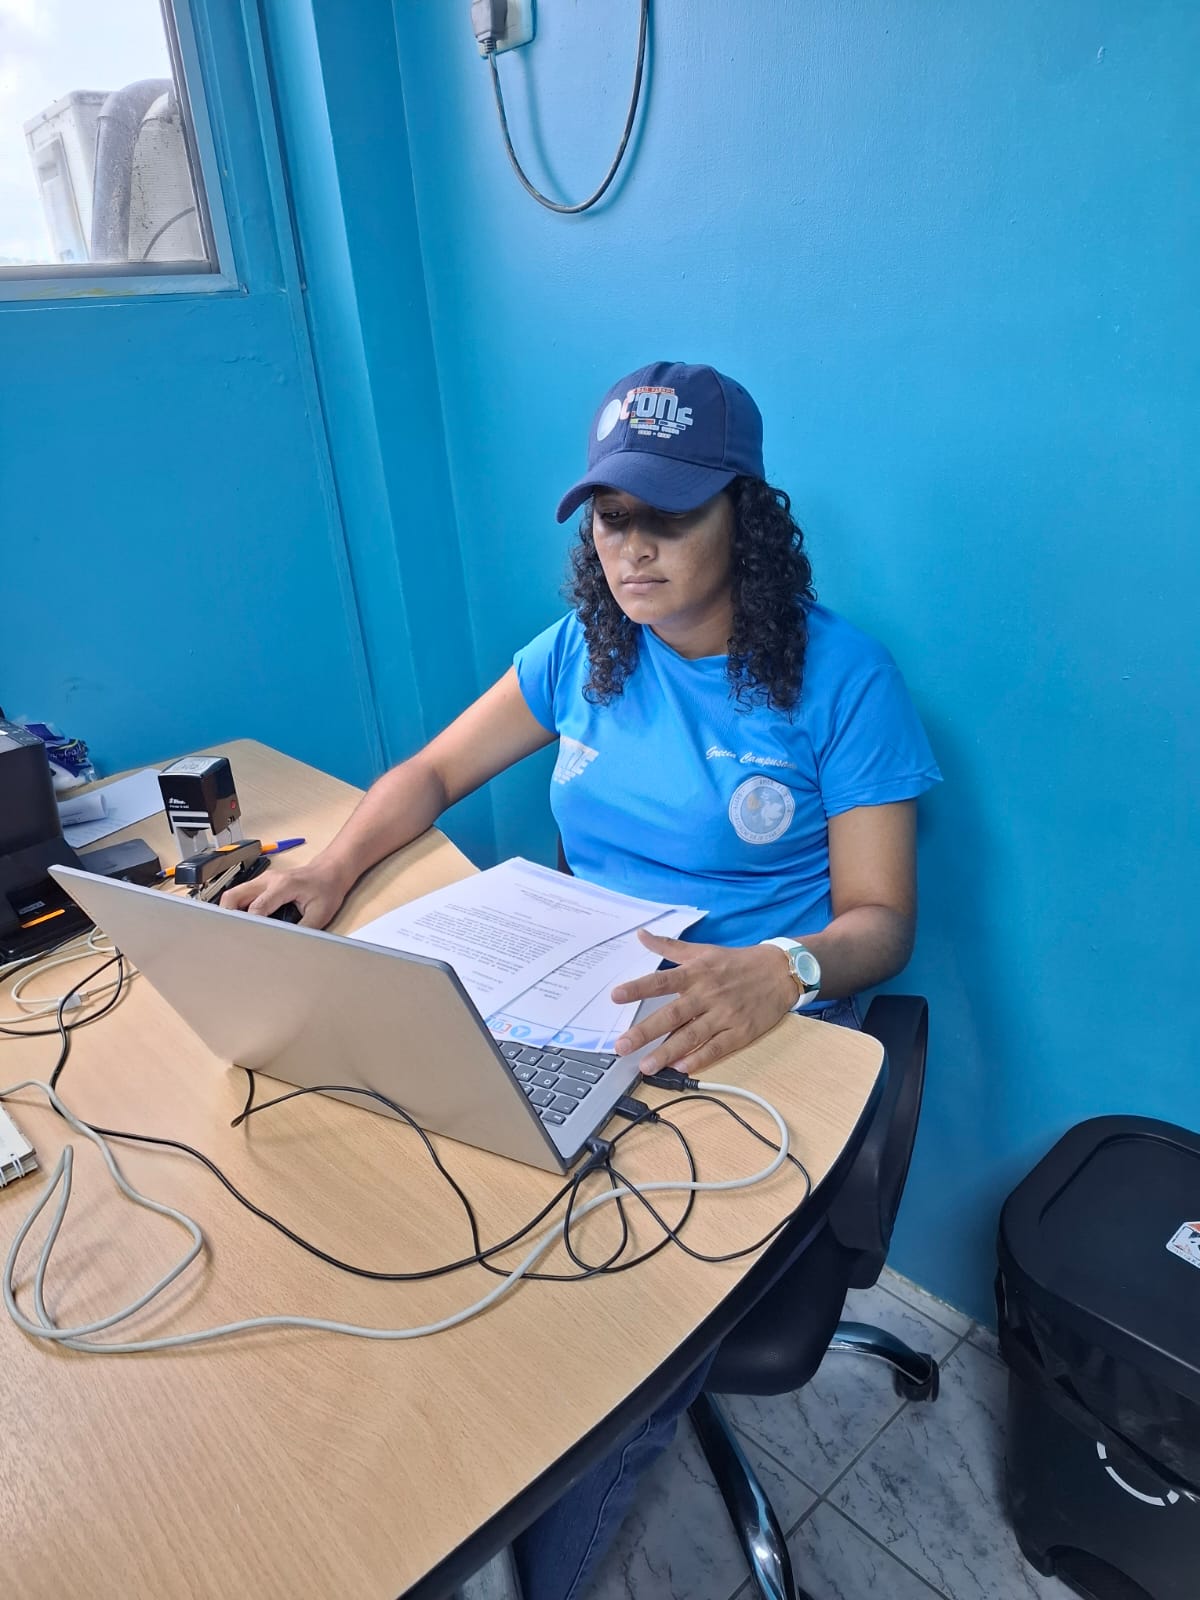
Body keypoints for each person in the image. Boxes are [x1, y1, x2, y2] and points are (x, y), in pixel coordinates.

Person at [222, 360, 942, 1598]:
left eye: (669, 517)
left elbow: (883, 923)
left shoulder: (843, 678)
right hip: (576, 994)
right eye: (612, 517)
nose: (633, 549)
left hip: (749, 1029)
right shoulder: (584, 651)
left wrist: (784, 968)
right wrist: (332, 865)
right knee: (398, 1189)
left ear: (746, 521)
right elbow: (432, 773)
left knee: (622, 1332)